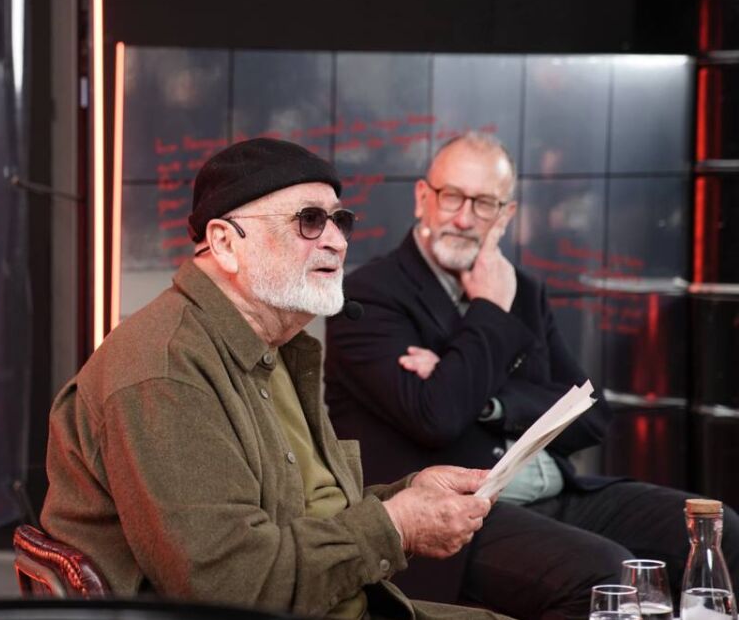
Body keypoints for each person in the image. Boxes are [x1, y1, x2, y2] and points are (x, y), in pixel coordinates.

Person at [42, 138, 507, 619]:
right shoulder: (164, 372)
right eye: (309, 220)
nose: (337, 241)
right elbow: (230, 586)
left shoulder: (276, 347)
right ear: (225, 243)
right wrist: (397, 525)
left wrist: (409, 497)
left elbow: (307, 515)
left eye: (339, 220)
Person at [324, 132, 739, 620]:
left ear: (506, 215)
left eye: (483, 204)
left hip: (555, 492)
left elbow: (590, 417)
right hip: (460, 516)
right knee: (609, 574)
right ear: (422, 198)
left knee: (721, 528)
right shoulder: (367, 295)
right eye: (452, 196)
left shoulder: (523, 289)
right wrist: (489, 308)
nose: (463, 218)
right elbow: (435, 416)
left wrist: (489, 400)